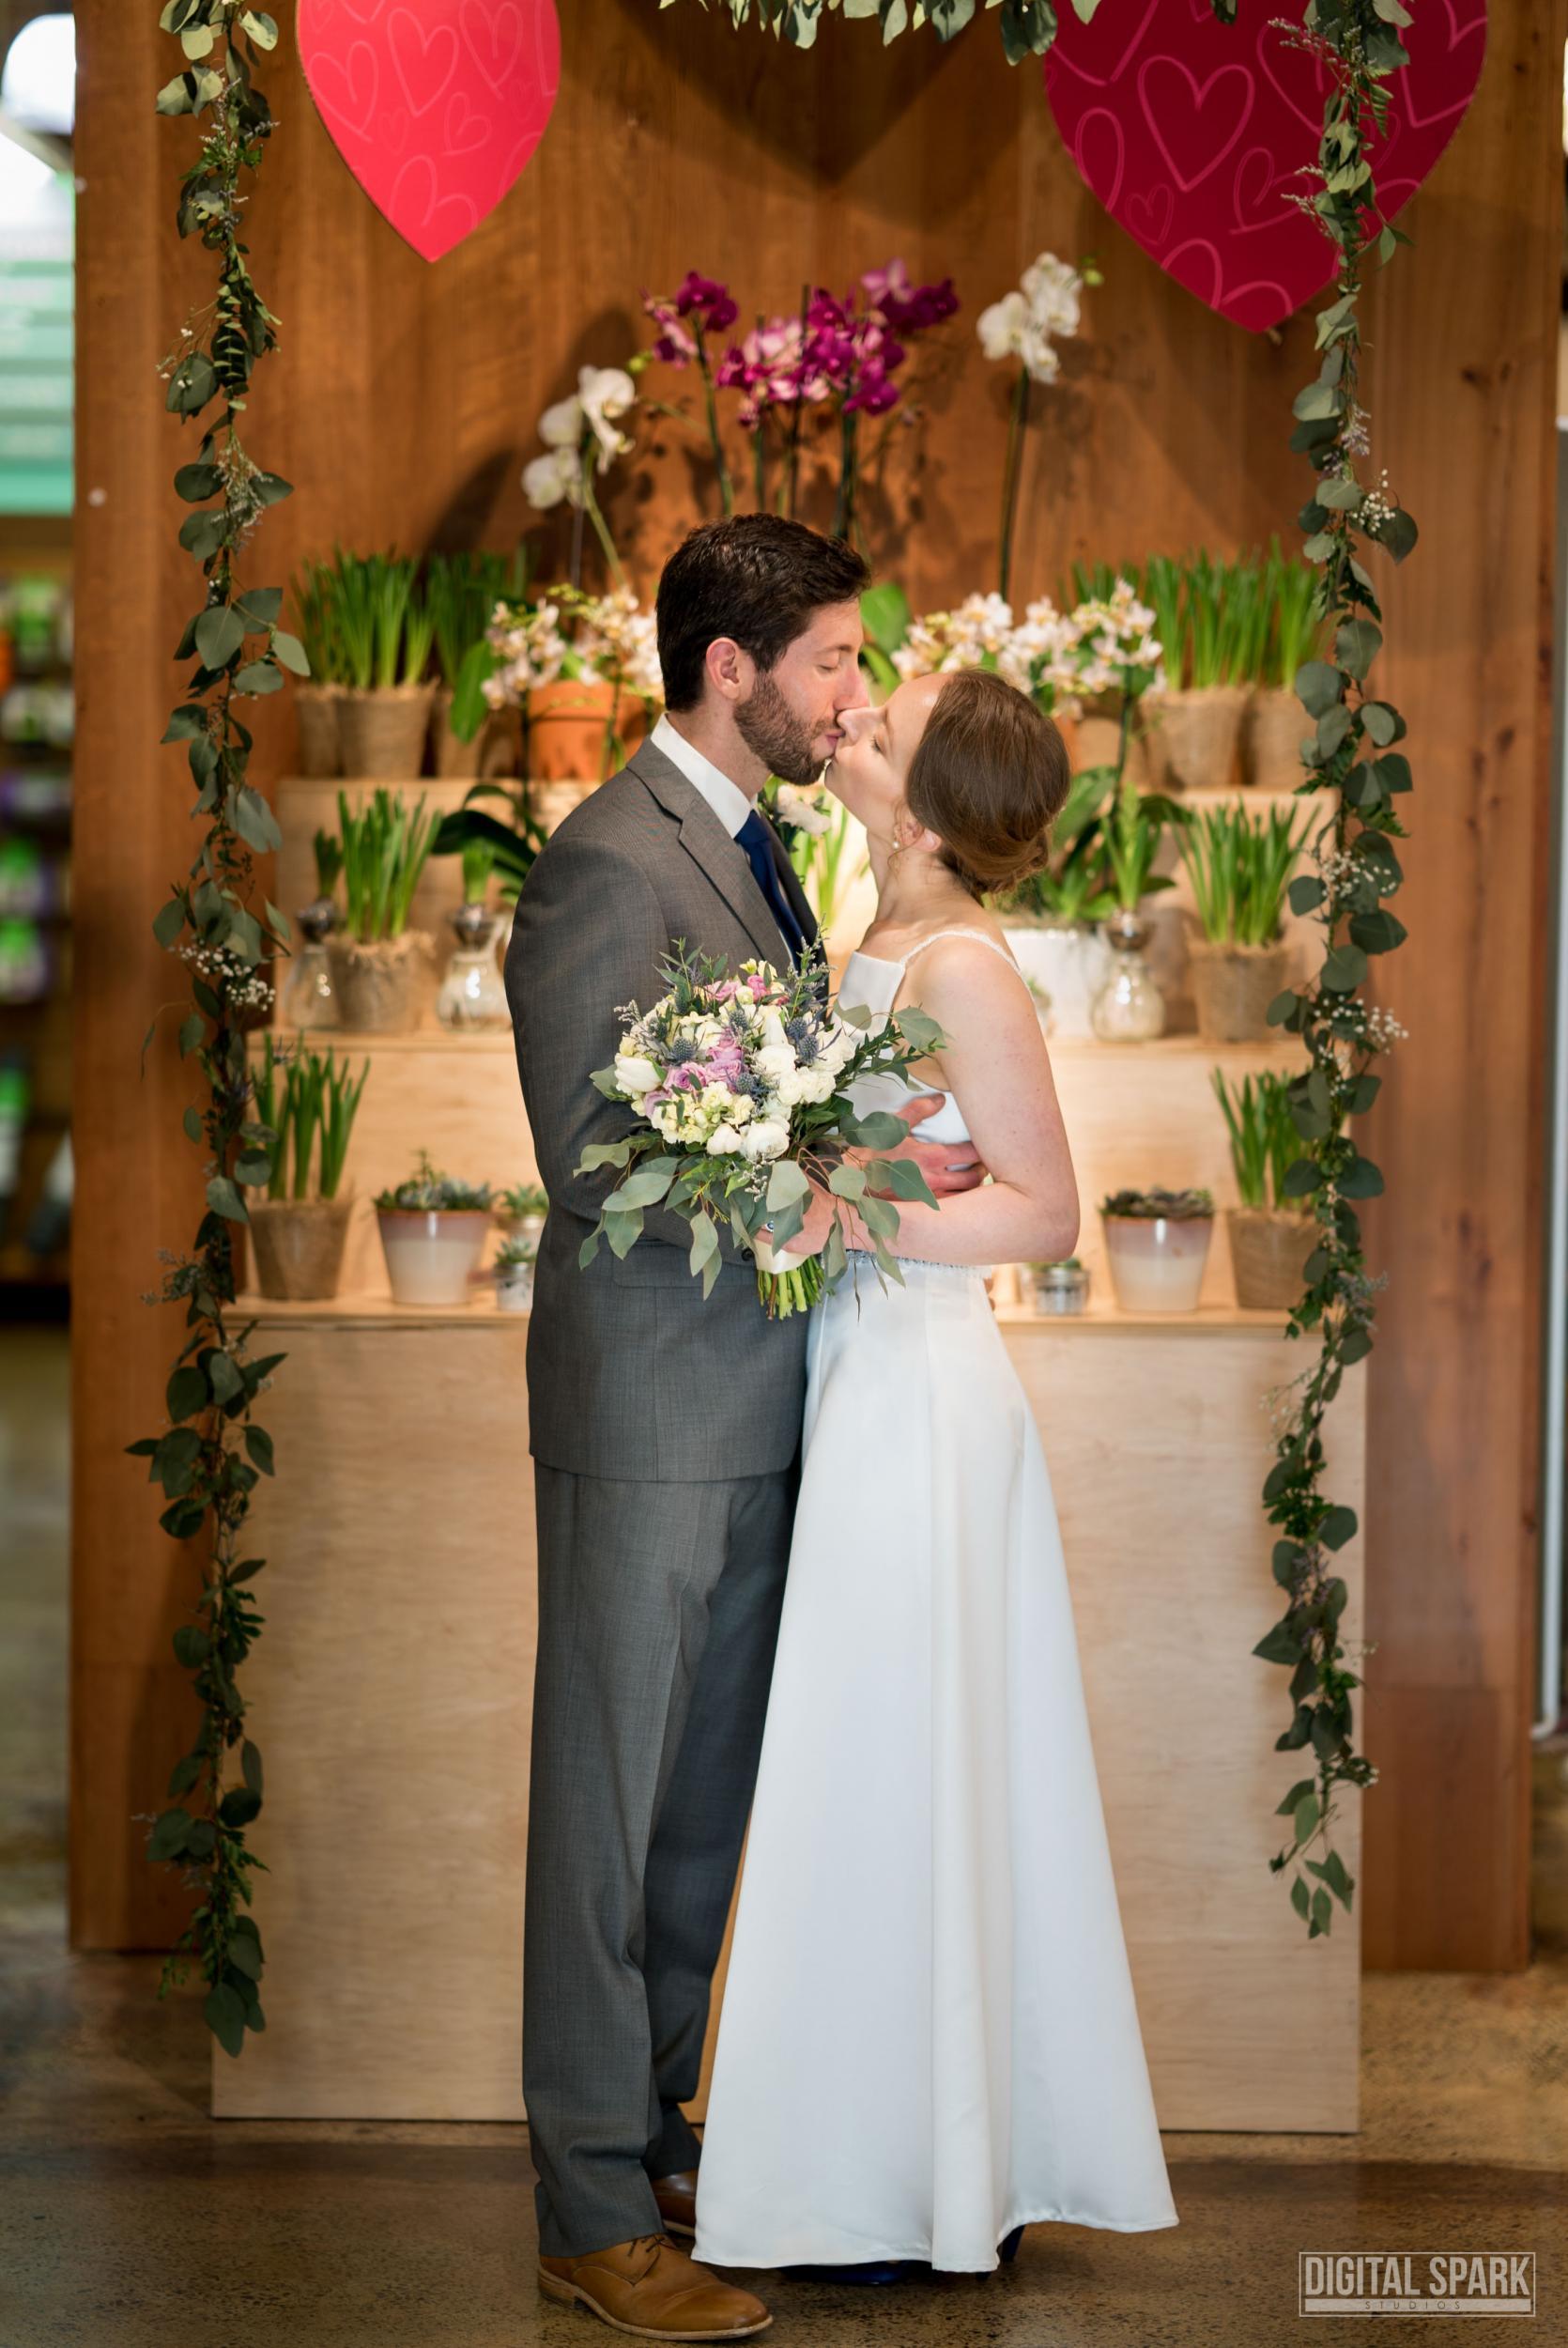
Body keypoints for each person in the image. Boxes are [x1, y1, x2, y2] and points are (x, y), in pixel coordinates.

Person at [505, 515, 984, 2342]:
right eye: (836, 660)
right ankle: (585, 2205)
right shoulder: (606, 861)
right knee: (609, 1806)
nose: (854, 691)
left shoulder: (762, 845)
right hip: (645, 1400)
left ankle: (664, 2135)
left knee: (702, 1816)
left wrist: (848, 1151)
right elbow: (587, 1146)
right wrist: (808, 1155)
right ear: (735, 668)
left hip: (766, 1388)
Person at [692, 667, 1180, 2274]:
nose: (847, 723)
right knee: (862, 1770)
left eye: (875, 722)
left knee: (897, 1758)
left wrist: (841, 1209)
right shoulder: (875, 939)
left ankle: (916, 2183)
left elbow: (1042, 1213)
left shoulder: (962, 966)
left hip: (921, 1396)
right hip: (855, 1377)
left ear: (920, 802)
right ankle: (869, 2168)